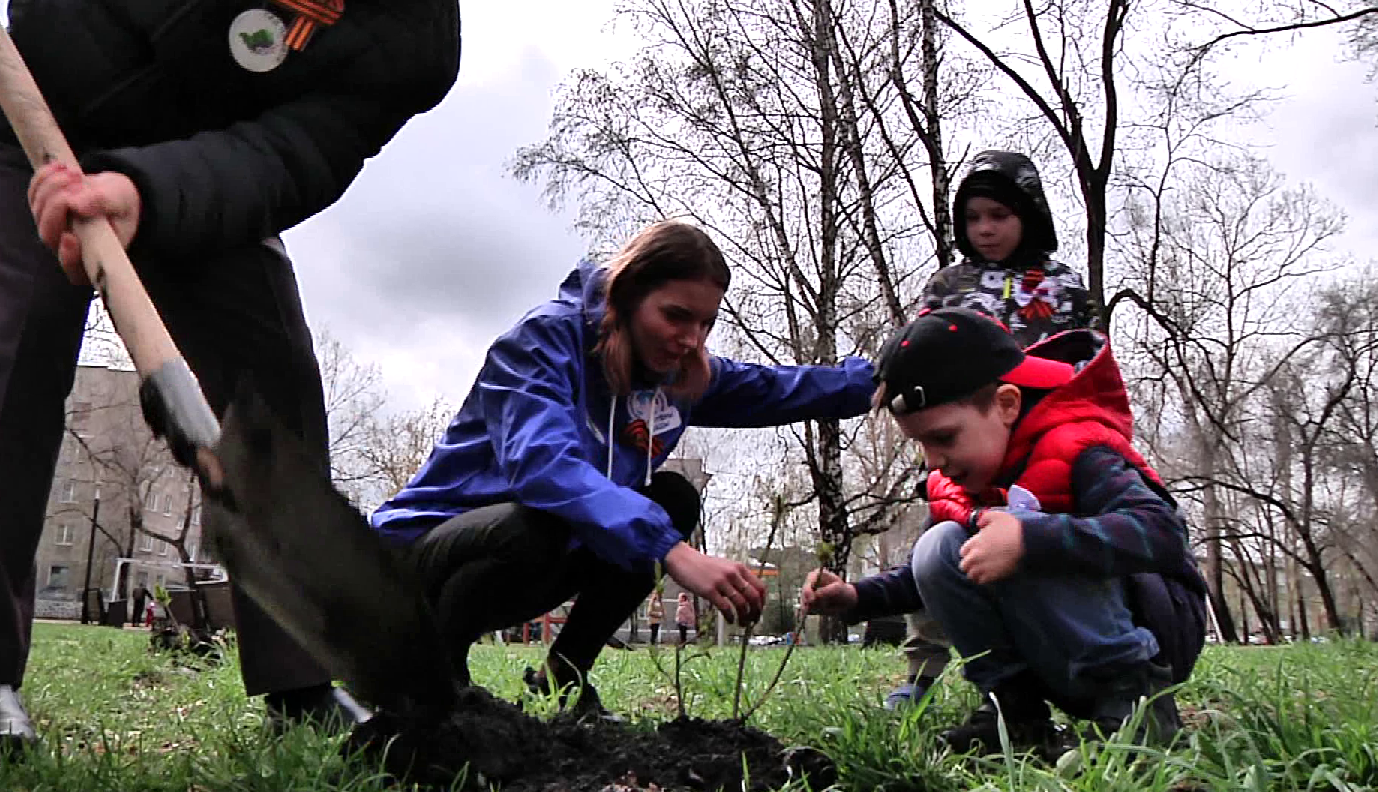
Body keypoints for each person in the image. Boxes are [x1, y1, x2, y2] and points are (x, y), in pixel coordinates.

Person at [0, 0, 461, 747]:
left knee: (269, 383)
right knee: (9, 353)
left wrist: (146, 192)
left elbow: (292, 154)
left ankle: (301, 681)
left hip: (205, 163)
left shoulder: (412, 42)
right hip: (34, 106)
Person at [371, 220, 876, 716]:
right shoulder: (542, 342)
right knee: (541, 520)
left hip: (527, 559)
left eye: (705, 324)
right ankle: (435, 683)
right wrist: (671, 550)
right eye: (676, 316)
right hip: (417, 562)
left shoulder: (673, 376)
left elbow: (778, 389)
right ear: (630, 294)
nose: (690, 339)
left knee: (672, 499)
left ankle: (562, 679)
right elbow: (544, 465)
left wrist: (880, 377)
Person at [805, 307, 1206, 755]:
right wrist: (858, 598)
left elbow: (1163, 532)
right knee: (938, 546)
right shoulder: (963, 481)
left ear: (1007, 405)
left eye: (944, 437)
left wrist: (1031, 541)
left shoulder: (1081, 448)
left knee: (1021, 528)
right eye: (920, 444)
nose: (932, 460)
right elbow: (938, 572)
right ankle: (1015, 714)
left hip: (1155, 631)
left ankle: (1137, 708)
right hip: (1060, 645)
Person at [884, 150, 1098, 711]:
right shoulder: (948, 285)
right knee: (940, 543)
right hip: (964, 443)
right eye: (974, 216)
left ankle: (1043, 672)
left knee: (1024, 549)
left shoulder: (1062, 286)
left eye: (999, 215)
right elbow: (917, 351)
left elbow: (1087, 363)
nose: (985, 228)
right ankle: (921, 670)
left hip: (1039, 446)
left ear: (1028, 213)